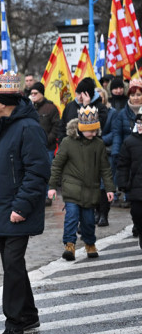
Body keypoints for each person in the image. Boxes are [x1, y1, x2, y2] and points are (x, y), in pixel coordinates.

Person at [0, 72, 50, 334]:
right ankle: (28, 314)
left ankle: (14, 322)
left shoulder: (28, 129)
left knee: (13, 265)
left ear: (4, 101)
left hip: (18, 211)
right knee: (11, 264)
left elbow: (38, 172)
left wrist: (21, 206)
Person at [48, 106, 115, 260]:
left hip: (91, 189)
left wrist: (110, 189)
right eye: (89, 130)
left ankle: (90, 243)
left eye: (95, 130)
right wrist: (51, 187)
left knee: (89, 220)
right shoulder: (68, 142)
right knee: (71, 216)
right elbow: (57, 165)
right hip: (72, 188)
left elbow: (105, 168)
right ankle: (69, 245)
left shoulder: (98, 144)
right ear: (80, 128)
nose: (92, 133)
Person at [116, 110, 142, 247]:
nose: (140, 125)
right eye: (139, 122)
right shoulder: (130, 142)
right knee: (137, 213)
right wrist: (123, 183)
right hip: (136, 187)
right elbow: (123, 164)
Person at [28, 82, 63, 158]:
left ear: (41, 94)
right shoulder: (30, 108)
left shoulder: (51, 108)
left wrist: (46, 140)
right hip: (33, 148)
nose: (33, 95)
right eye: (31, 93)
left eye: (35, 93)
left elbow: (56, 127)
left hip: (48, 148)